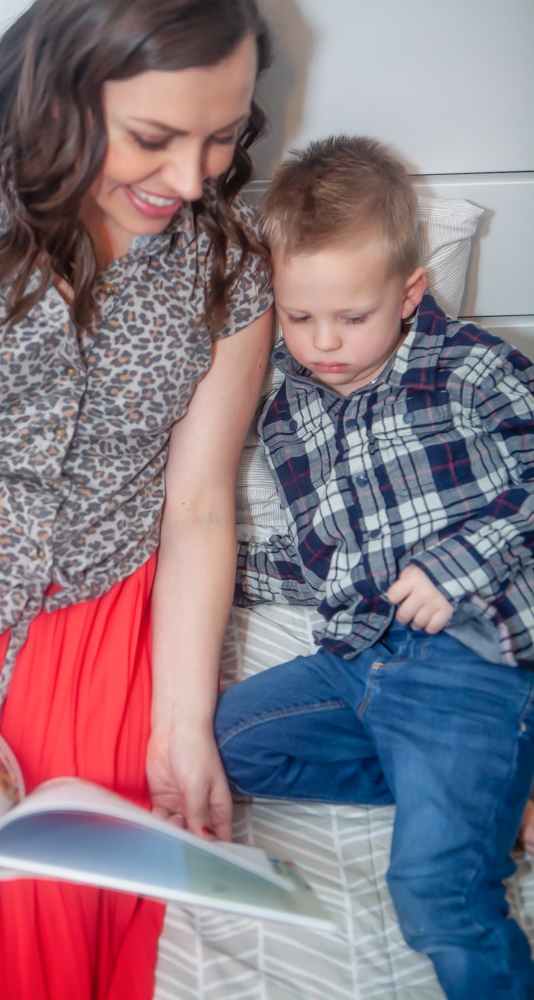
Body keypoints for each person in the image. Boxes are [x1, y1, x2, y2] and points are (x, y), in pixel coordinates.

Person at [0, 2, 274, 998]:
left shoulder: (228, 267)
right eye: (153, 138)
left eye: (222, 136)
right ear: (58, 95)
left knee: (46, 896)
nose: (191, 179)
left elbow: (197, 509)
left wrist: (185, 721)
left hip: (95, 630)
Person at [214, 136, 534, 1000]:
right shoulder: (285, 404)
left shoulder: (468, 368)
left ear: (409, 292)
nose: (323, 342)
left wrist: (457, 564)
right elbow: (325, 558)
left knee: (432, 891)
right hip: (358, 661)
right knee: (228, 744)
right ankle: (487, 791)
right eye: (298, 316)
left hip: (463, 660)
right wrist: (224, 571)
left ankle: (472, 792)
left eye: (350, 318)